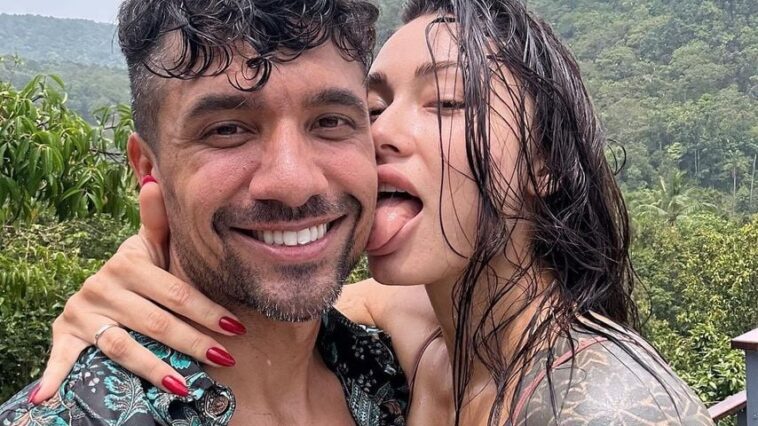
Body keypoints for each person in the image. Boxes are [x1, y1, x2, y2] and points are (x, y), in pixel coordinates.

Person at [18, 0, 715, 424]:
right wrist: (133, 289)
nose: (383, 136)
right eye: (372, 110)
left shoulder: (597, 404)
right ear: (149, 169)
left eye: (332, 120)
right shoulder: (416, 350)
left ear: (546, 161)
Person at [0, 1, 411, 425]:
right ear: (147, 167)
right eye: (227, 130)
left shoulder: (398, 376)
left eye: (330, 122)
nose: (294, 184)